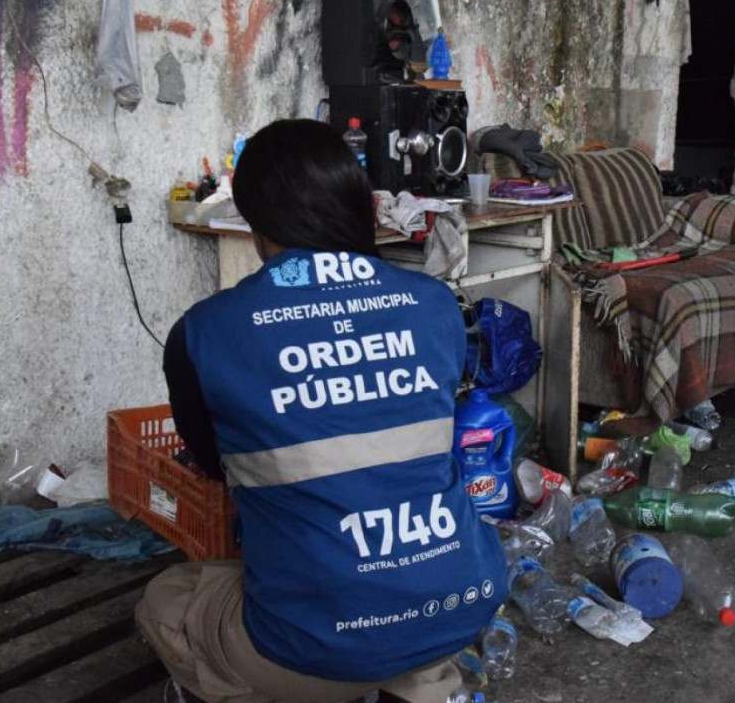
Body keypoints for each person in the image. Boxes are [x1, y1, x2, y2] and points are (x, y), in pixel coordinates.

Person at [136, 119, 509, 702]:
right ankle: (422, 682)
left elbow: (212, 465)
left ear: (255, 221)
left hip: (313, 641)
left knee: (166, 602)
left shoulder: (206, 332)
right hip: (462, 602)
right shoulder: (435, 304)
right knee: (406, 617)